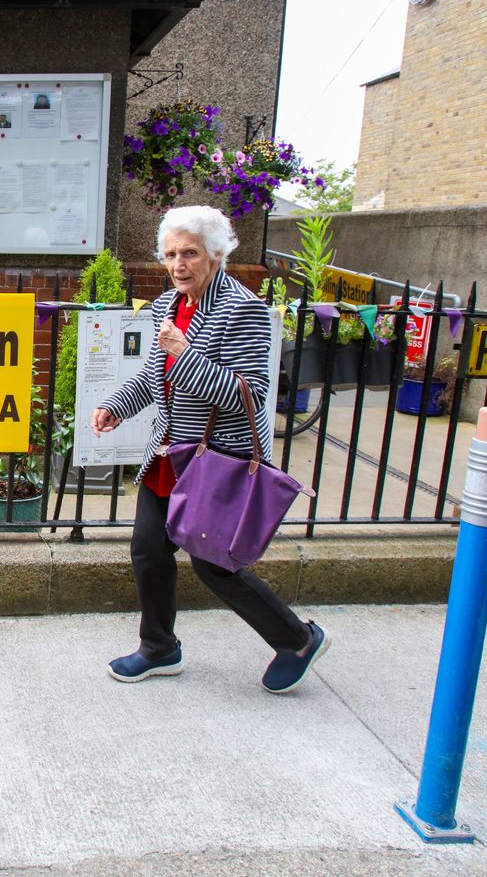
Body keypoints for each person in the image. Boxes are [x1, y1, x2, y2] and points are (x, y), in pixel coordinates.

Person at [91, 205, 329, 693]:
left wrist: (184, 352)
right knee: (148, 551)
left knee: (214, 563)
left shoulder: (243, 310)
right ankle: (159, 648)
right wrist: (118, 406)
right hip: (172, 454)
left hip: (218, 455)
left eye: (190, 253)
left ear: (216, 254)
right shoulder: (166, 305)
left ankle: (298, 639)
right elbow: (157, 377)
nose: (178, 264)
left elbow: (247, 393)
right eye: (171, 254)